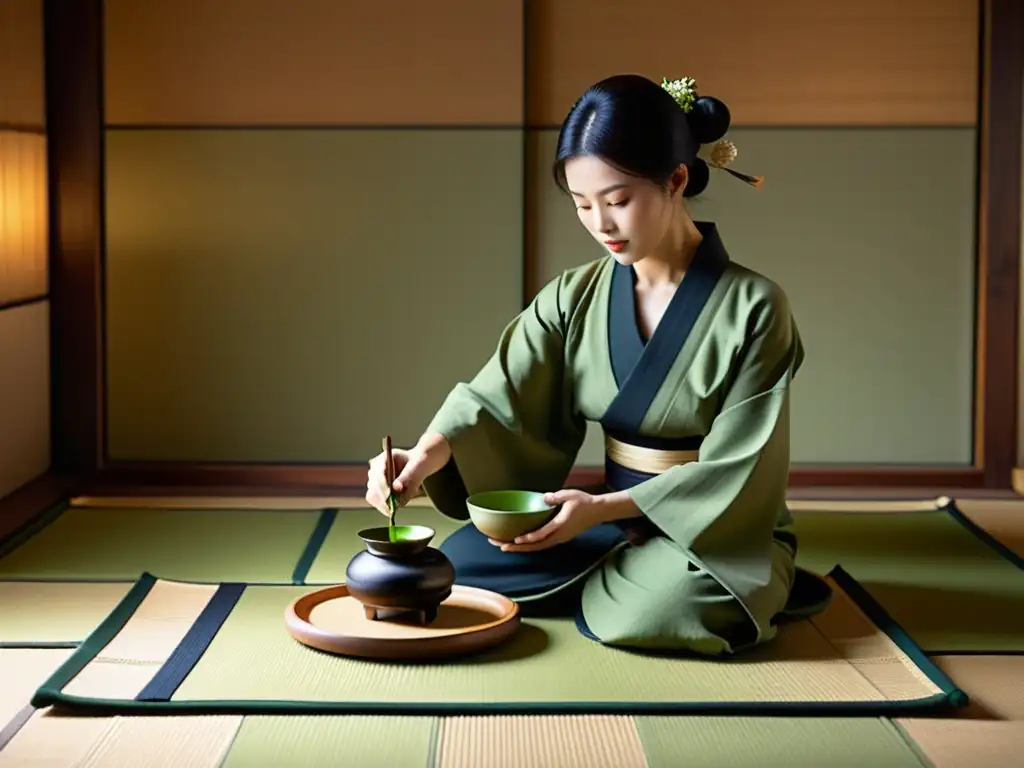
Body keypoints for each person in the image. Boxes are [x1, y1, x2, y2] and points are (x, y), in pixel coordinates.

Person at [365, 74, 830, 656]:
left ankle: (643, 576)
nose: (600, 224)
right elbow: (496, 395)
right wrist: (426, 455)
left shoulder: (756, 308)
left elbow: (744, 467)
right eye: (583, 205)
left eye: (617, 201)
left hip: (713, 528)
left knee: (668, 611)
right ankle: (613, 565)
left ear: (676, 180)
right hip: (597, 515)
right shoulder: (574, 296)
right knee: (458, 566)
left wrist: (602, 512)